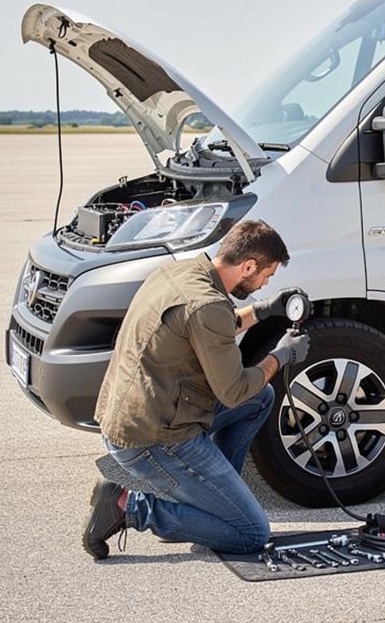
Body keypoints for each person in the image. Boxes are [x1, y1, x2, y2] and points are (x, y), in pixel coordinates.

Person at [82, 219, 310, 560]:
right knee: (251, 534)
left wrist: (264, 311)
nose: (265, 283)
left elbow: (211, 327)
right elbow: (233, 390)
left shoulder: (181, 274)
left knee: (260, 398)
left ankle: (215, 504)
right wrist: (280, 356)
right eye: (267, 275)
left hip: (142, 413)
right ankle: (129, 507)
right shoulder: (207, 306)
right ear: (248, 265)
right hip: (153, 440)